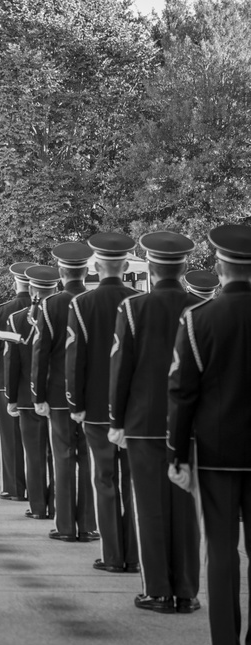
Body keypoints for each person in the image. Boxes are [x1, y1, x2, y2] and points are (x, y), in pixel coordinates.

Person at [168, 224, 251, 645]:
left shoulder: (200, 318)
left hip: (218, 453)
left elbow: (182, 392)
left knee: (220, 551)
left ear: (220, 267)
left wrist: (176, 454)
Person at [108, 231, 201, 615]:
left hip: (144, 422)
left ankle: (157, 591)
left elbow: (121, 369)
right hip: (191, 424)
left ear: (150, 266)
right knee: (185, 512)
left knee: (149, 509)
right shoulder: (199, 307)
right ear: (182, 268)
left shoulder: (133, 309)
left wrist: (117, 419)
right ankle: (186, 592)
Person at [67, 232, 139, 574]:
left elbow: (75, 358)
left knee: (104, 480)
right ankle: (135, 553)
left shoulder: (82, 304)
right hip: (134, 409)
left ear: (95, 266)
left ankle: (112, 555)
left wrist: (75, 403)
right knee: (133, 483)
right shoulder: (140, 302)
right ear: (125, 266)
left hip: (96, 408)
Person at [31, 243, 97, 543]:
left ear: (60, 272)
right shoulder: (93, 300)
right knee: (89, 459)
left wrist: (38, 395)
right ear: (85, 271)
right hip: (93, 395)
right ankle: (88, 524)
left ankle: (66, 525)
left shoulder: (50, 304)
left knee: (63, 458)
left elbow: (40, 352)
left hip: (58, 395)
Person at [5, 265, 57, 521]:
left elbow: (11, 362)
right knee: (58, 456)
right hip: (58, 397)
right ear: (54, 288)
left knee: (34, 455)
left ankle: (38, 506)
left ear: (32, 289)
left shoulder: (15, 319)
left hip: (27, 397)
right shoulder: (66, 314)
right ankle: (58, 505)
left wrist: (12, 397)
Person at [0, 263, 33, 502]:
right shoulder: (43, 308)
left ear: (15, 283)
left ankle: (15, 488)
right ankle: (40, 488)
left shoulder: (0, 312)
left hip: (4, 381)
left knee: (11, 438)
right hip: (38, 382)